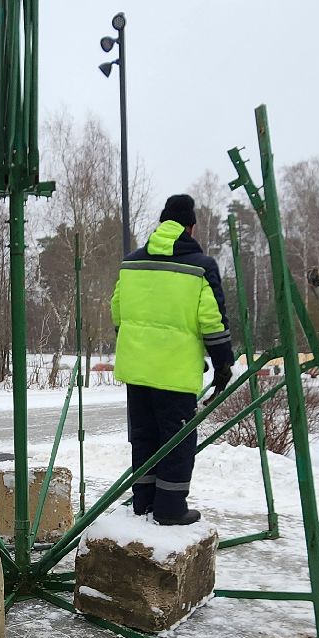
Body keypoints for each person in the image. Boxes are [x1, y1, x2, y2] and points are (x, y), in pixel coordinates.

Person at [110, 194, 236, 525]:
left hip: (137, 370)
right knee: (177, 439)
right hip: (176, 374)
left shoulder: (133, 263)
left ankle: (143, 503)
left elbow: (118, 312)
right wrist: (223, 364)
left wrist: (139, 345)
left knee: (144, 434)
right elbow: (212, 321)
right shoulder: (200, 267)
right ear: (190, 228)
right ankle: (169, 509)